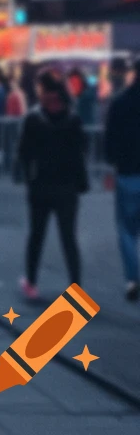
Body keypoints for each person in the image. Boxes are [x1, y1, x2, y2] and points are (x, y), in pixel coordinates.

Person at [15, 71, 87, 301]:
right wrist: (81, 182)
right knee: (69, 238)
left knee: (36, 235)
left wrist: (27, 178)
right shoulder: (72, 118)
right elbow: (81, 151)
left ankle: (31, 282)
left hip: (41, 185)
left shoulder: (34, 118)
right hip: (67, 187)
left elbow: (24, 153)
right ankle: (75, 286)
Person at [104, 58, 140, 301]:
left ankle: (132, 278)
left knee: (126, 230)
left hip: (128, 172)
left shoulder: (120, 102)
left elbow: (110, 139)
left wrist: (113, 160)